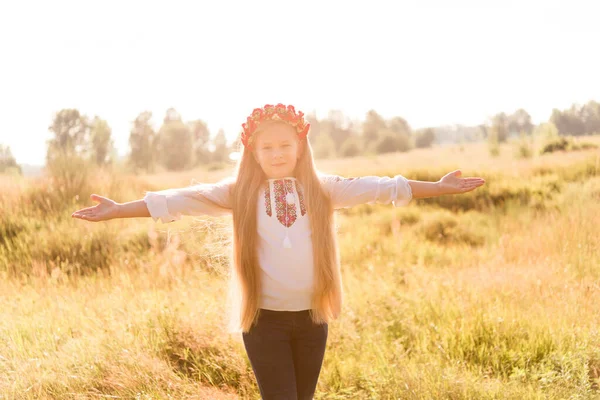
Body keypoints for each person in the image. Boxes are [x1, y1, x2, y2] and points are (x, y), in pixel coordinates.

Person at [72, 103, 485, 399]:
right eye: (266, 148)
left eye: (285, 145)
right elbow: (178, 199)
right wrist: (117, 211)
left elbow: (381, 187)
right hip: (264, 323)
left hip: (312, 319)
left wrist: (440, 188)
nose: (277, 154)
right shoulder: (238, 193)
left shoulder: (324, 188)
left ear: (300, 146)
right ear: (253, 152)